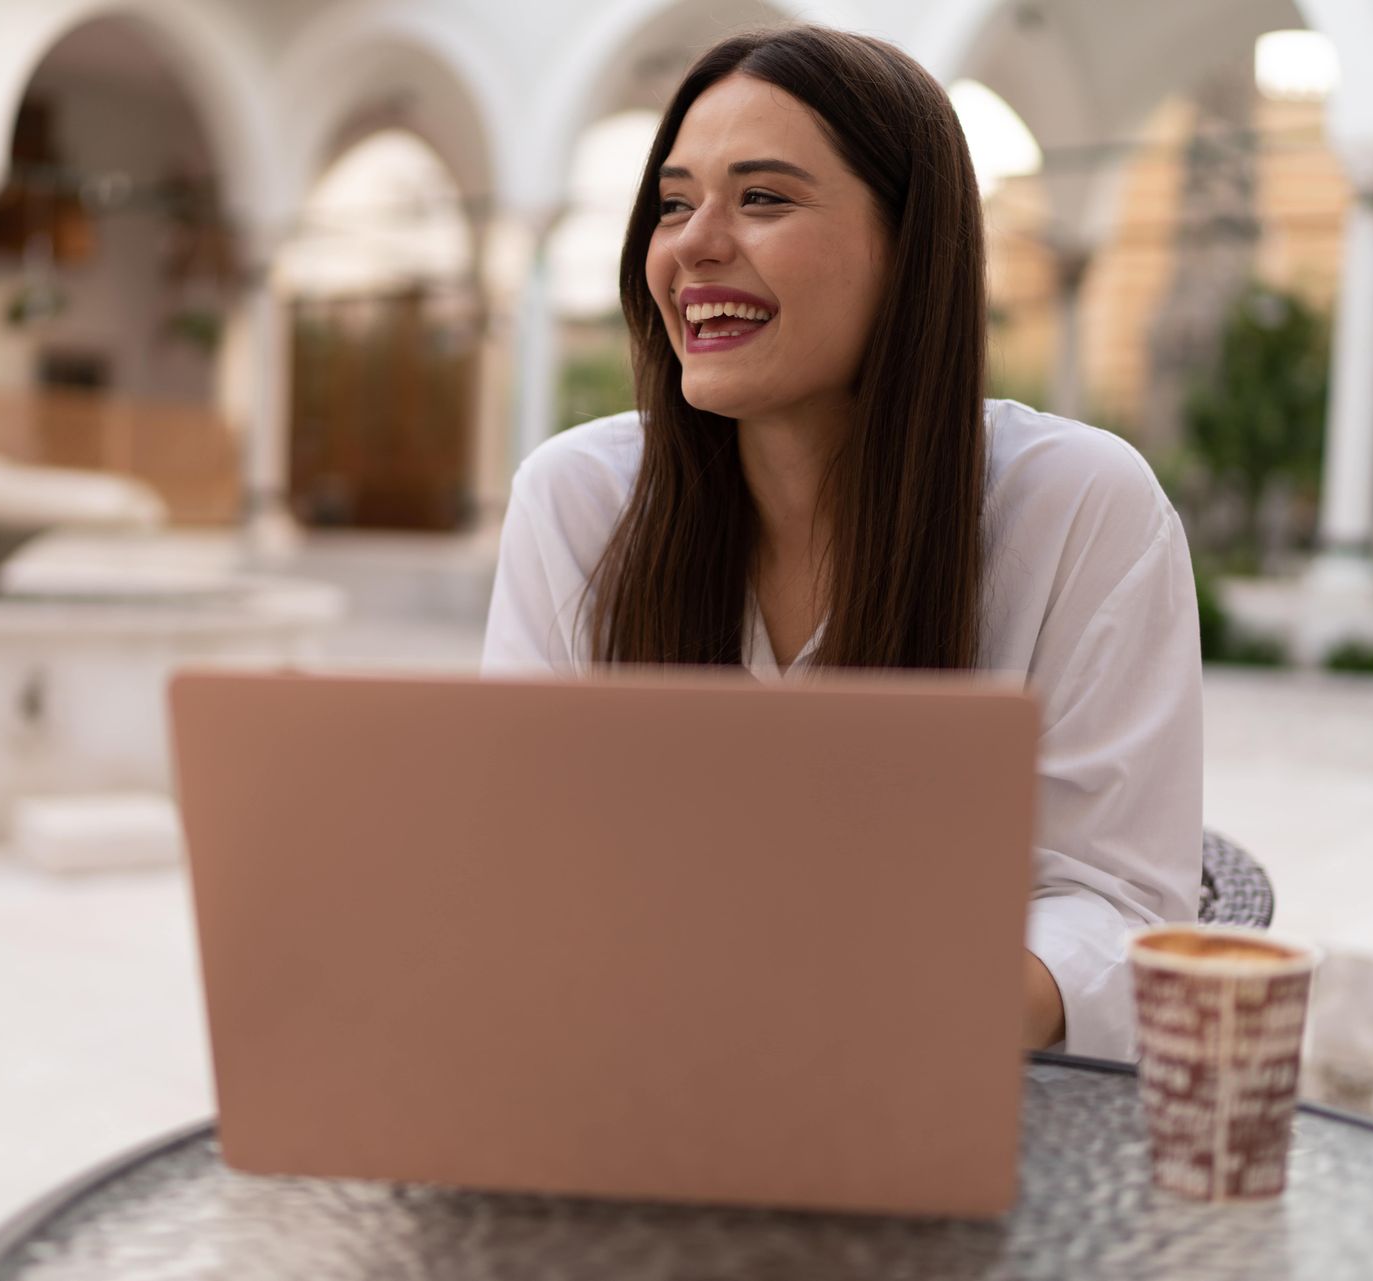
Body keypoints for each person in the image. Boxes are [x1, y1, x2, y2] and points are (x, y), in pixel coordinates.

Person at [481, 24, 1201, 1060]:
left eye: (762, 198)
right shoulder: (578, 501)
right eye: (675, 204)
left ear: (910, 247)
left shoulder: (1081, 506)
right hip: (639, 1091)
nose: (693, 245)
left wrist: (907, 1015)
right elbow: (526, 871)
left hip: (953, 1108)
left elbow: (1122, 904)